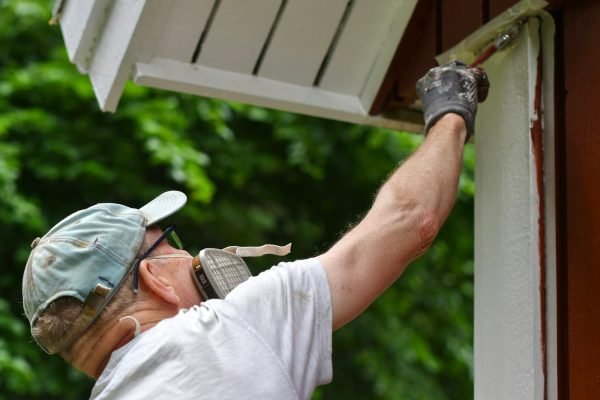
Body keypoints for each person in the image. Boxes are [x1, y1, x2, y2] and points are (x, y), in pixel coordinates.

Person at [22, 61, 489, 399]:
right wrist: (450, 110)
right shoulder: (225, 331)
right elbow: (411, 220)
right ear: (155, 278)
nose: (192, 258)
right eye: (172, 244)